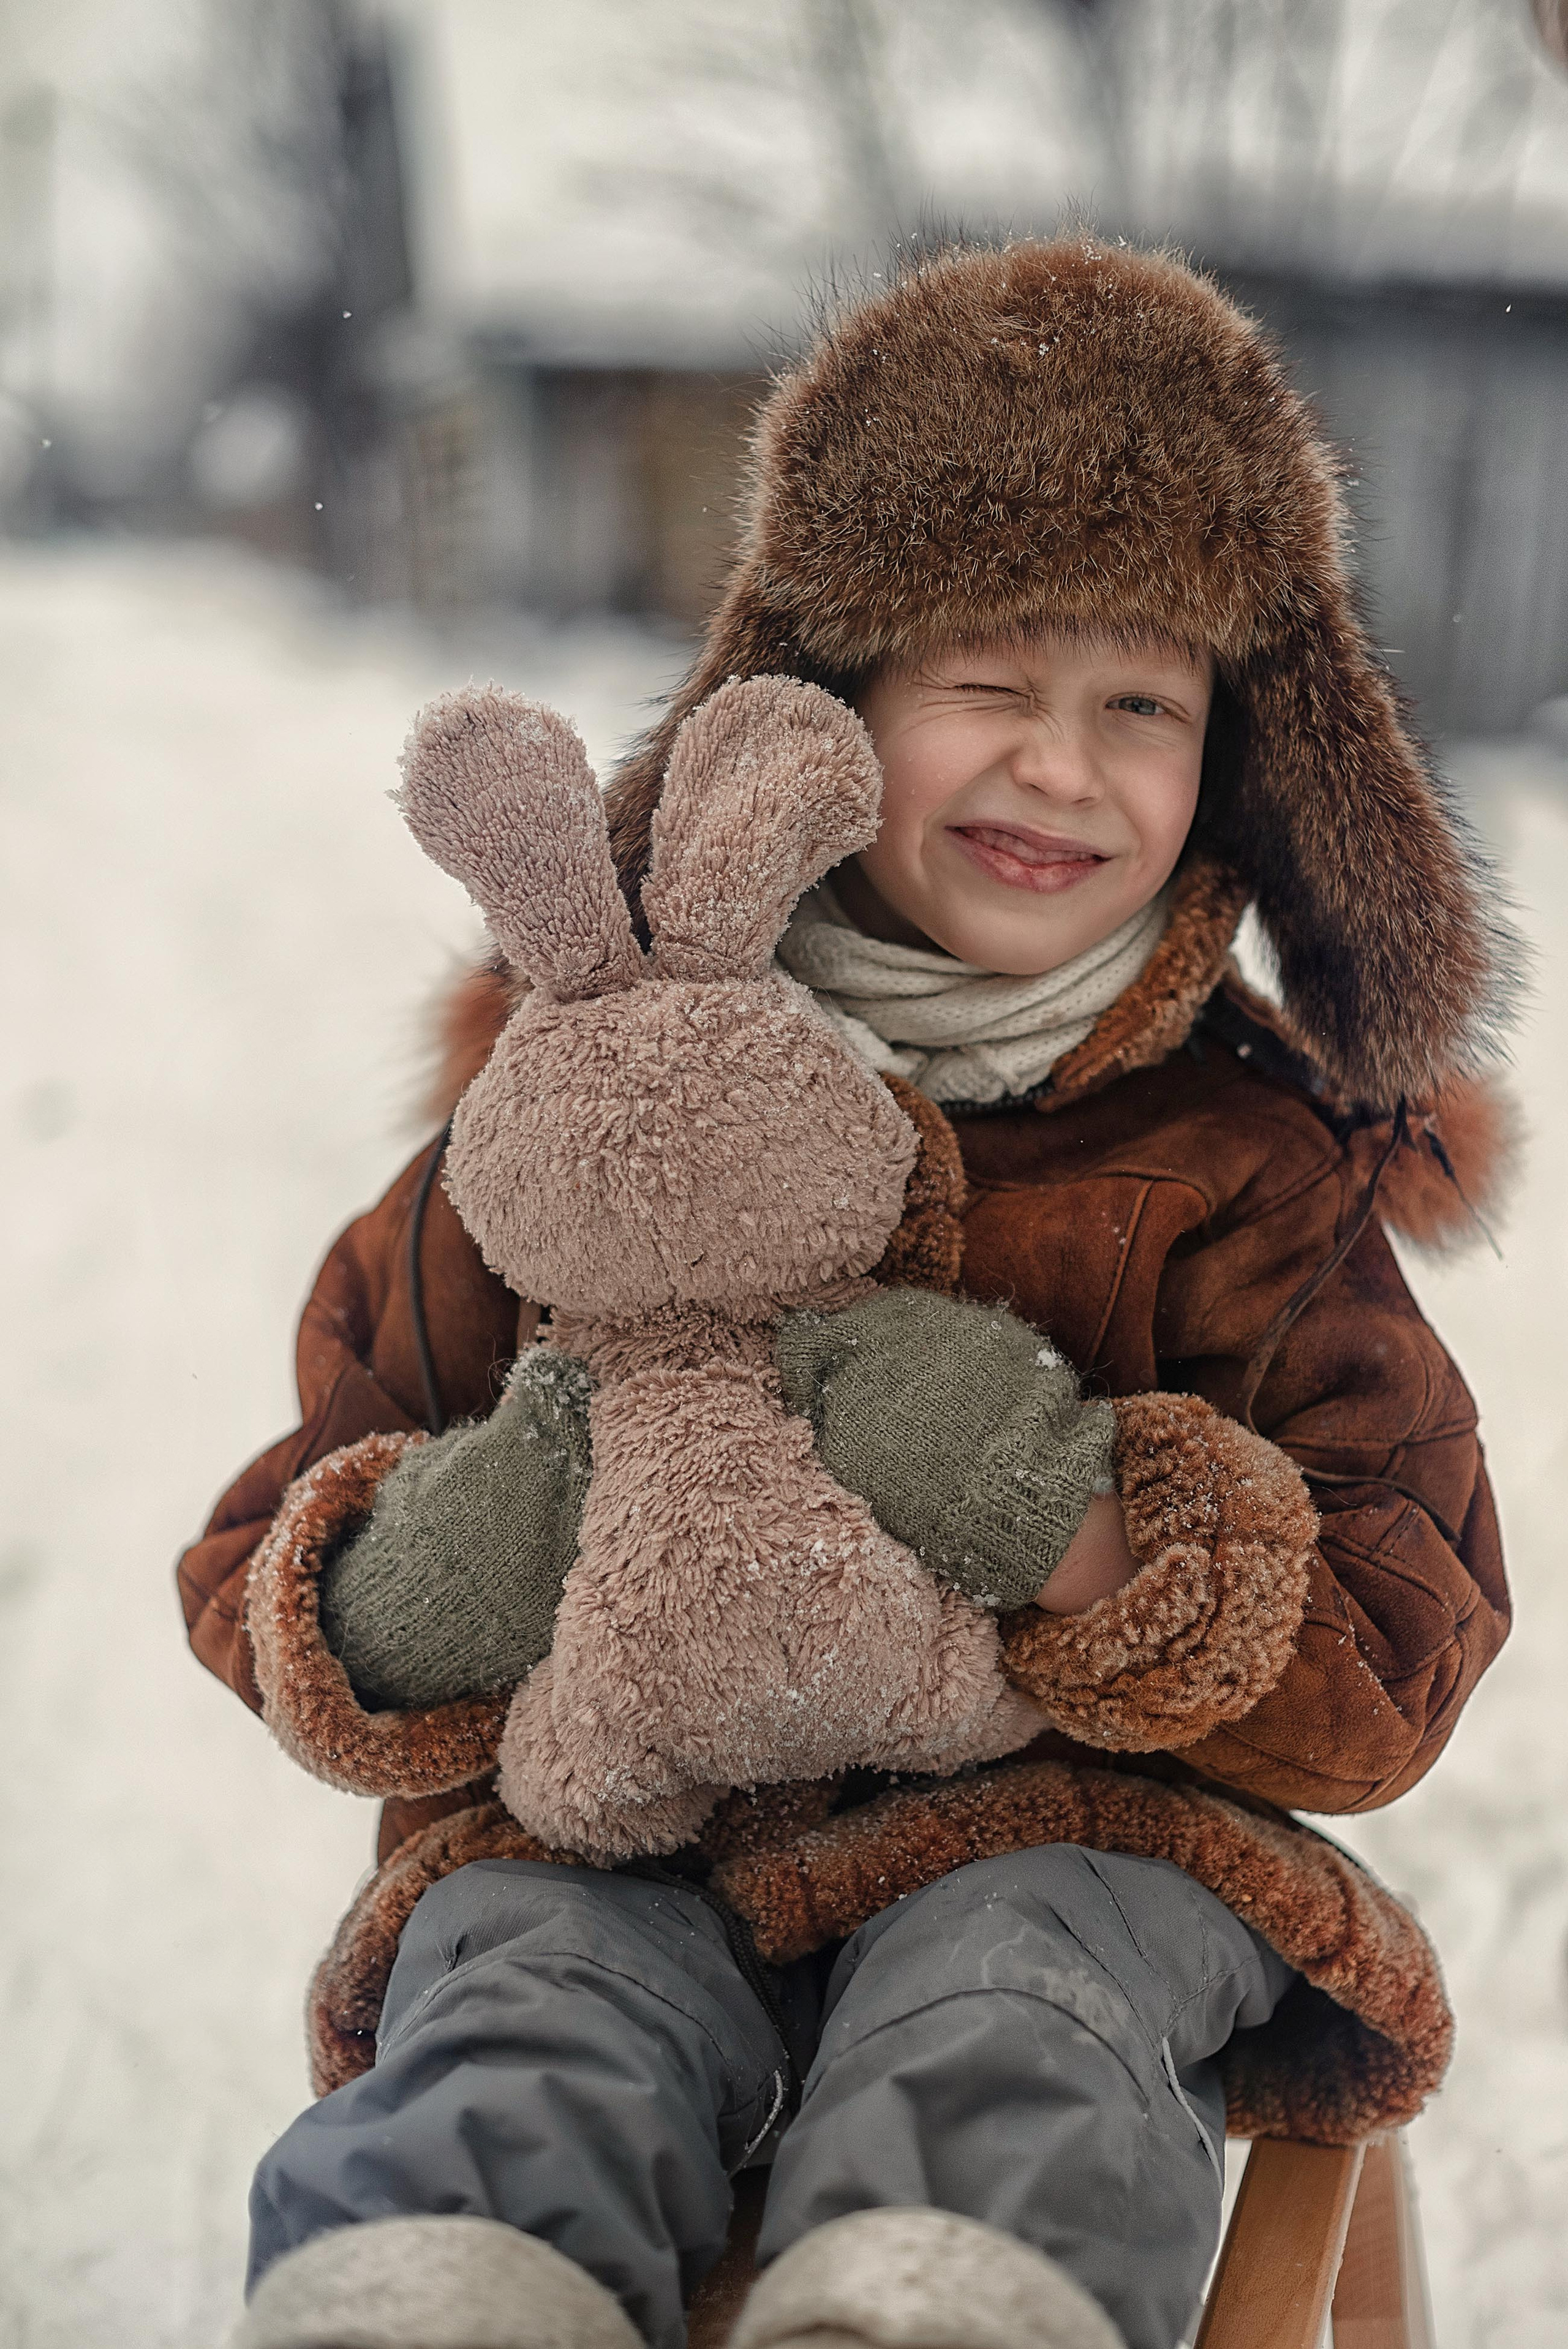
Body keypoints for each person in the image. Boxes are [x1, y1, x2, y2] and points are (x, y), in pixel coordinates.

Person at [180, 237, 1517, 2349]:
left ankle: (936, 2306)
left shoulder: (1244, 1163)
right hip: (625, 1838)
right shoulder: (603, 1084)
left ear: (1236, 754)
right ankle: (439, 2293)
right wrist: (445, 1564)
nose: (1062, 769)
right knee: (528, 1989)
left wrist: (1080, 1525)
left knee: (1022, 1991)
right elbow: (274, 1537)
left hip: (1071, 1835)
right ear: (816, 707)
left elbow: (1401, 1636)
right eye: (987, 680)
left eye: (1142, 703)